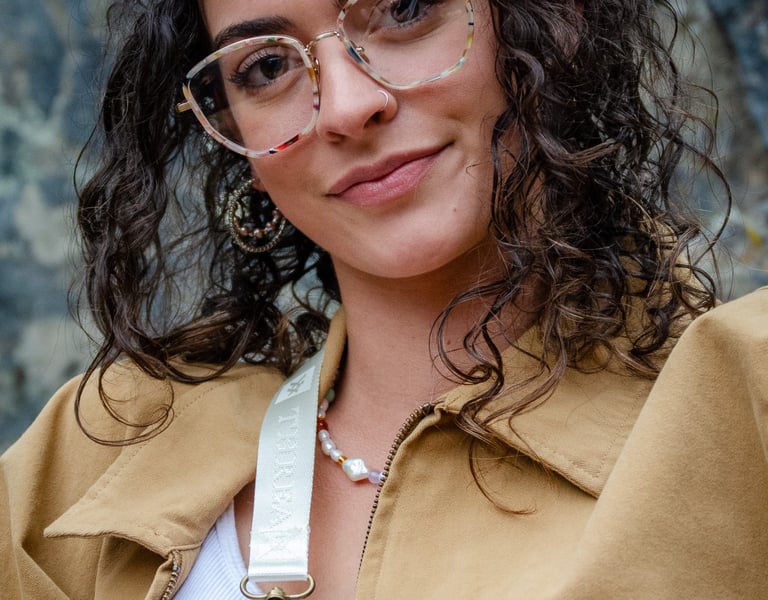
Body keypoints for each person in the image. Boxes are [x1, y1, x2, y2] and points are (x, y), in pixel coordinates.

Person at [1, 0, 766, 598]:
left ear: (550, 17)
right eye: (267, 66)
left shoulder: (740, 418)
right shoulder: (103, 451)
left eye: (403, 9)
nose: (345, 106)